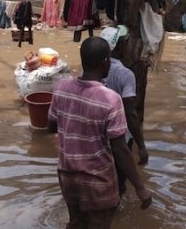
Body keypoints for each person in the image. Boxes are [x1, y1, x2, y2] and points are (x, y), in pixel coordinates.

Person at [48, 37, 152, 229]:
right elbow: (120, 149)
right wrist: (140, 187)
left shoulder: (61, 88)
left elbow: (52, 126)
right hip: (97, 179)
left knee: (75, 224)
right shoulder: (111, 99)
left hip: (67, 174)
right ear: (106, 62)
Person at [100, 26, 149, 196]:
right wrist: (141, 146)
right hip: (120, 137)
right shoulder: (124, 74)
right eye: (125, 42)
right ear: (120, 45)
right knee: (119, 182)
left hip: (97, 135)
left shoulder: (89, 69)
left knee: (101, 178)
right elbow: (130, 113)